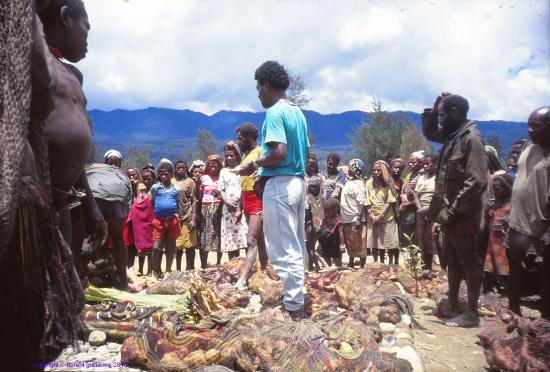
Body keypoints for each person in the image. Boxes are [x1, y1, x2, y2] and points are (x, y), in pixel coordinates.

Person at [0, 1, 88, 368]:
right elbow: (38, 86)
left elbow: (79, 140)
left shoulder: (73, 75)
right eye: (86, 26)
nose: (87, 38)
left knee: (53, 285)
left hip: (59, 196)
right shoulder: (20, 20)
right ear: (65, 16)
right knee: (23, 295)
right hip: (29, 188)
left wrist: (92, 206)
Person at [239, 60, 309, 320]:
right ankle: (296, 297)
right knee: (296, 245)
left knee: (283, 249)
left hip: (280, 184)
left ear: (267, 85)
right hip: (296, 183)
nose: (258, 93)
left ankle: (294, 308)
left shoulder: (275, 113)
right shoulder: (298, 113)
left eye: (259, 87)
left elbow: (279, 152)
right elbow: (305, 152)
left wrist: (255, 163)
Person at [422, 92, 488, 327]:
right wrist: (435, 103)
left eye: (441, 114)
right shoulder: (452, 136)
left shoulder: (471, 139)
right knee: (452, 259)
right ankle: (452, 304)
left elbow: (477, 181)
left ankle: (471, 313)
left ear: (454, 113)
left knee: (469, 261)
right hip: (450, 214)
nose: (438, 119)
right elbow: (429, 132)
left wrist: (453, 211)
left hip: (464, 214)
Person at [505, 107, 550, 319]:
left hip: (540, 227)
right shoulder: (530, 146)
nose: (530, 130)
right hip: (517, 223)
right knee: (515, 269)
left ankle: (544, 323)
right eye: (528, 125)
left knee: (545, 276)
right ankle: (513, 311)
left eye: (536, 126)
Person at [235, 122, 278, 289]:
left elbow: (266, 170)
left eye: (240, 138)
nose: (238, 142)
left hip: (257, 198)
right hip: (246, 199)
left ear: (248, 137)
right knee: (259, 239)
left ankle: (243, 279)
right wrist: (239, 207)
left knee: (251, 239)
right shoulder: (246, 155)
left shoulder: (260, 152)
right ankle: (265, 268)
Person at [85, 150, 132, 290]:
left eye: (115, 163)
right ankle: (121, 281)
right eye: (111, 163)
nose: (113, 165)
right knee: (117, 239)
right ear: (105, 163)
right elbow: (128, 200)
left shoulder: (96, 170)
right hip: (115, 201)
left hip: (97, 198)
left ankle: (93, 277)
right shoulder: (122, 175)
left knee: (95, 237)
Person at [150, 160, 182, 278]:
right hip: (158, 220)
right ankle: (155, 270)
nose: (163, 176)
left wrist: (174, 215)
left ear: (171, 174)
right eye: (161, 174)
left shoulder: (176, 189)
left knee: (170, 247)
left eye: (166, 174)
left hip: (172, 220)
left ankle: (168, 270)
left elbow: (177, 204)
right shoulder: (155, 188)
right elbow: (152, 202)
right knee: (156, 247)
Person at [483, 172, 513, 294]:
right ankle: (488, 288)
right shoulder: (493, 204)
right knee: (488, 266)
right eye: (493, 188)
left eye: (498, 188)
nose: (495, 191)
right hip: (491, 242)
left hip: (503, 244)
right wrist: (488, 209)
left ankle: (507, 291)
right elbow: (487, 219)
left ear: (506, 188)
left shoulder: (511, 204)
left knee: (504, 267)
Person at [365, 160, 400, 264]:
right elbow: (367, 200)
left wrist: (381, 215)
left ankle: (390, 264)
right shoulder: (368, 183)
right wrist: (371, 215)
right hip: (373, 218)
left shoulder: (389, 184)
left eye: (379, 170)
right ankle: (377, 264)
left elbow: (390, 200)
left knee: (388, 243)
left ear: (384, 171)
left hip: (387, 217)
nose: (376, 172)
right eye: (374, 170)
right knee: (374, 243)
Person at [219, 142, 248, 260]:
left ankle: (247, 262)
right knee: (230, 236)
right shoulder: (223, 171)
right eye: (227, 156)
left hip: (241, 207)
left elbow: (244, 186)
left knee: (244, 235)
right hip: (227, 210)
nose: (229, 158)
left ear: (237, 155)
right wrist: (227, 201)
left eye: (232, 155)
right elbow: (221, 189)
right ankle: (232, 264)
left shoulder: (241, 169)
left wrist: (239, 206)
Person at [340, 159, 367, 268]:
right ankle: (351, 262)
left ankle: (362, 264)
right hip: (346, 218)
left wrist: (358, 217)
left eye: (350, 168)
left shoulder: (360, 184)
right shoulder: (349, 182)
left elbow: (361, 202)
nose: (348, 170)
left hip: (355, 217)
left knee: (360, 241)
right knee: (350, 242)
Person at [172, 159, 198, 271]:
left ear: (187, 169)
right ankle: (177, 269)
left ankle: (190, 268)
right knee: (178, 246)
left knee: (189, 245)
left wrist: (193, 218)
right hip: (175, 217)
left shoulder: (190, 181)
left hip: (187, 215)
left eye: (183, 167)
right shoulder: (171, 181)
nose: (181, 170)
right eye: (178, 168)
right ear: (175, 169)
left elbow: (194, 200)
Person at [414, 154, 438, 271]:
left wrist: (429, 209)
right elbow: (416, 195)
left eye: (427, 163)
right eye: (423, 164)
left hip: (435, 213)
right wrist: (420, 208)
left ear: (435, 164)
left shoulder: (438, 178)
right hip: (421, 213)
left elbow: (439, 196)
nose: (425, 166)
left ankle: (439, 269)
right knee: (423, 241)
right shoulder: (421, 178)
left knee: (435, 241)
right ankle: (425, 268)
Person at [199, 155, 224, 267]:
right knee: (205, 236)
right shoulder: (203, 178)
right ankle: (204, 264)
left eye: (215, 166)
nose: (213, 168)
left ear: (220, 166)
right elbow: (198, 196)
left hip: (220, 208)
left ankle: (219, 262)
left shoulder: (223, 177)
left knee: (219, 235)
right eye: (210, 166)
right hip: (206, 209)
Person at [400, 151, 424, 244]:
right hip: (407, 209)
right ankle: (409, 254)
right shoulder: (408, 176)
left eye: (413, 162)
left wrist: (411, 197)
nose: (410, 164)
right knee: (407, 232)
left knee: (417, 232)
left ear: (421, 163)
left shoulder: (423, 175)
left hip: (417, 208)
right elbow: (403, 191)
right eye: (409, 162)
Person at [317, 198, 346, 267]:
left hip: (334, 244)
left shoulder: (338, 221)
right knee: (322, 257)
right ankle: (328, 270)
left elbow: (341, 233)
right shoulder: (326, 219)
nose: (326, 213)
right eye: (325, 211)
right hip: (325, 244)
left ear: (335, 210)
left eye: (328, 211)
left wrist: (342, 245)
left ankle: (340, 274)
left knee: (337, 262)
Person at [305, 175, 324, 271]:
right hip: (319, 225)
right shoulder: (321, 196)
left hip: (310, 225)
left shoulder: (308, 198)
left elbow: (307, 212)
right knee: (312, 246)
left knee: (310, 248)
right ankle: (315, 266)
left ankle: (311, 267)